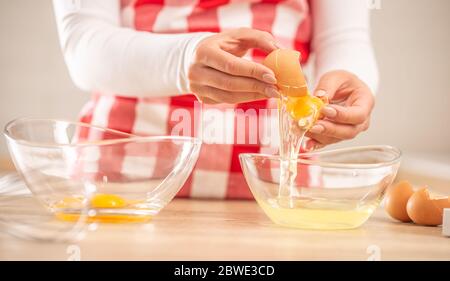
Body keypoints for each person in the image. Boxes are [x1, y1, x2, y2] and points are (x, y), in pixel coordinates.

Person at [53, 0, 378, 199]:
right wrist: (181, 60)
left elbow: (344, 37)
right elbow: (83, 45)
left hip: (279, 192)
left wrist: (351, 82)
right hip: (124, 186)